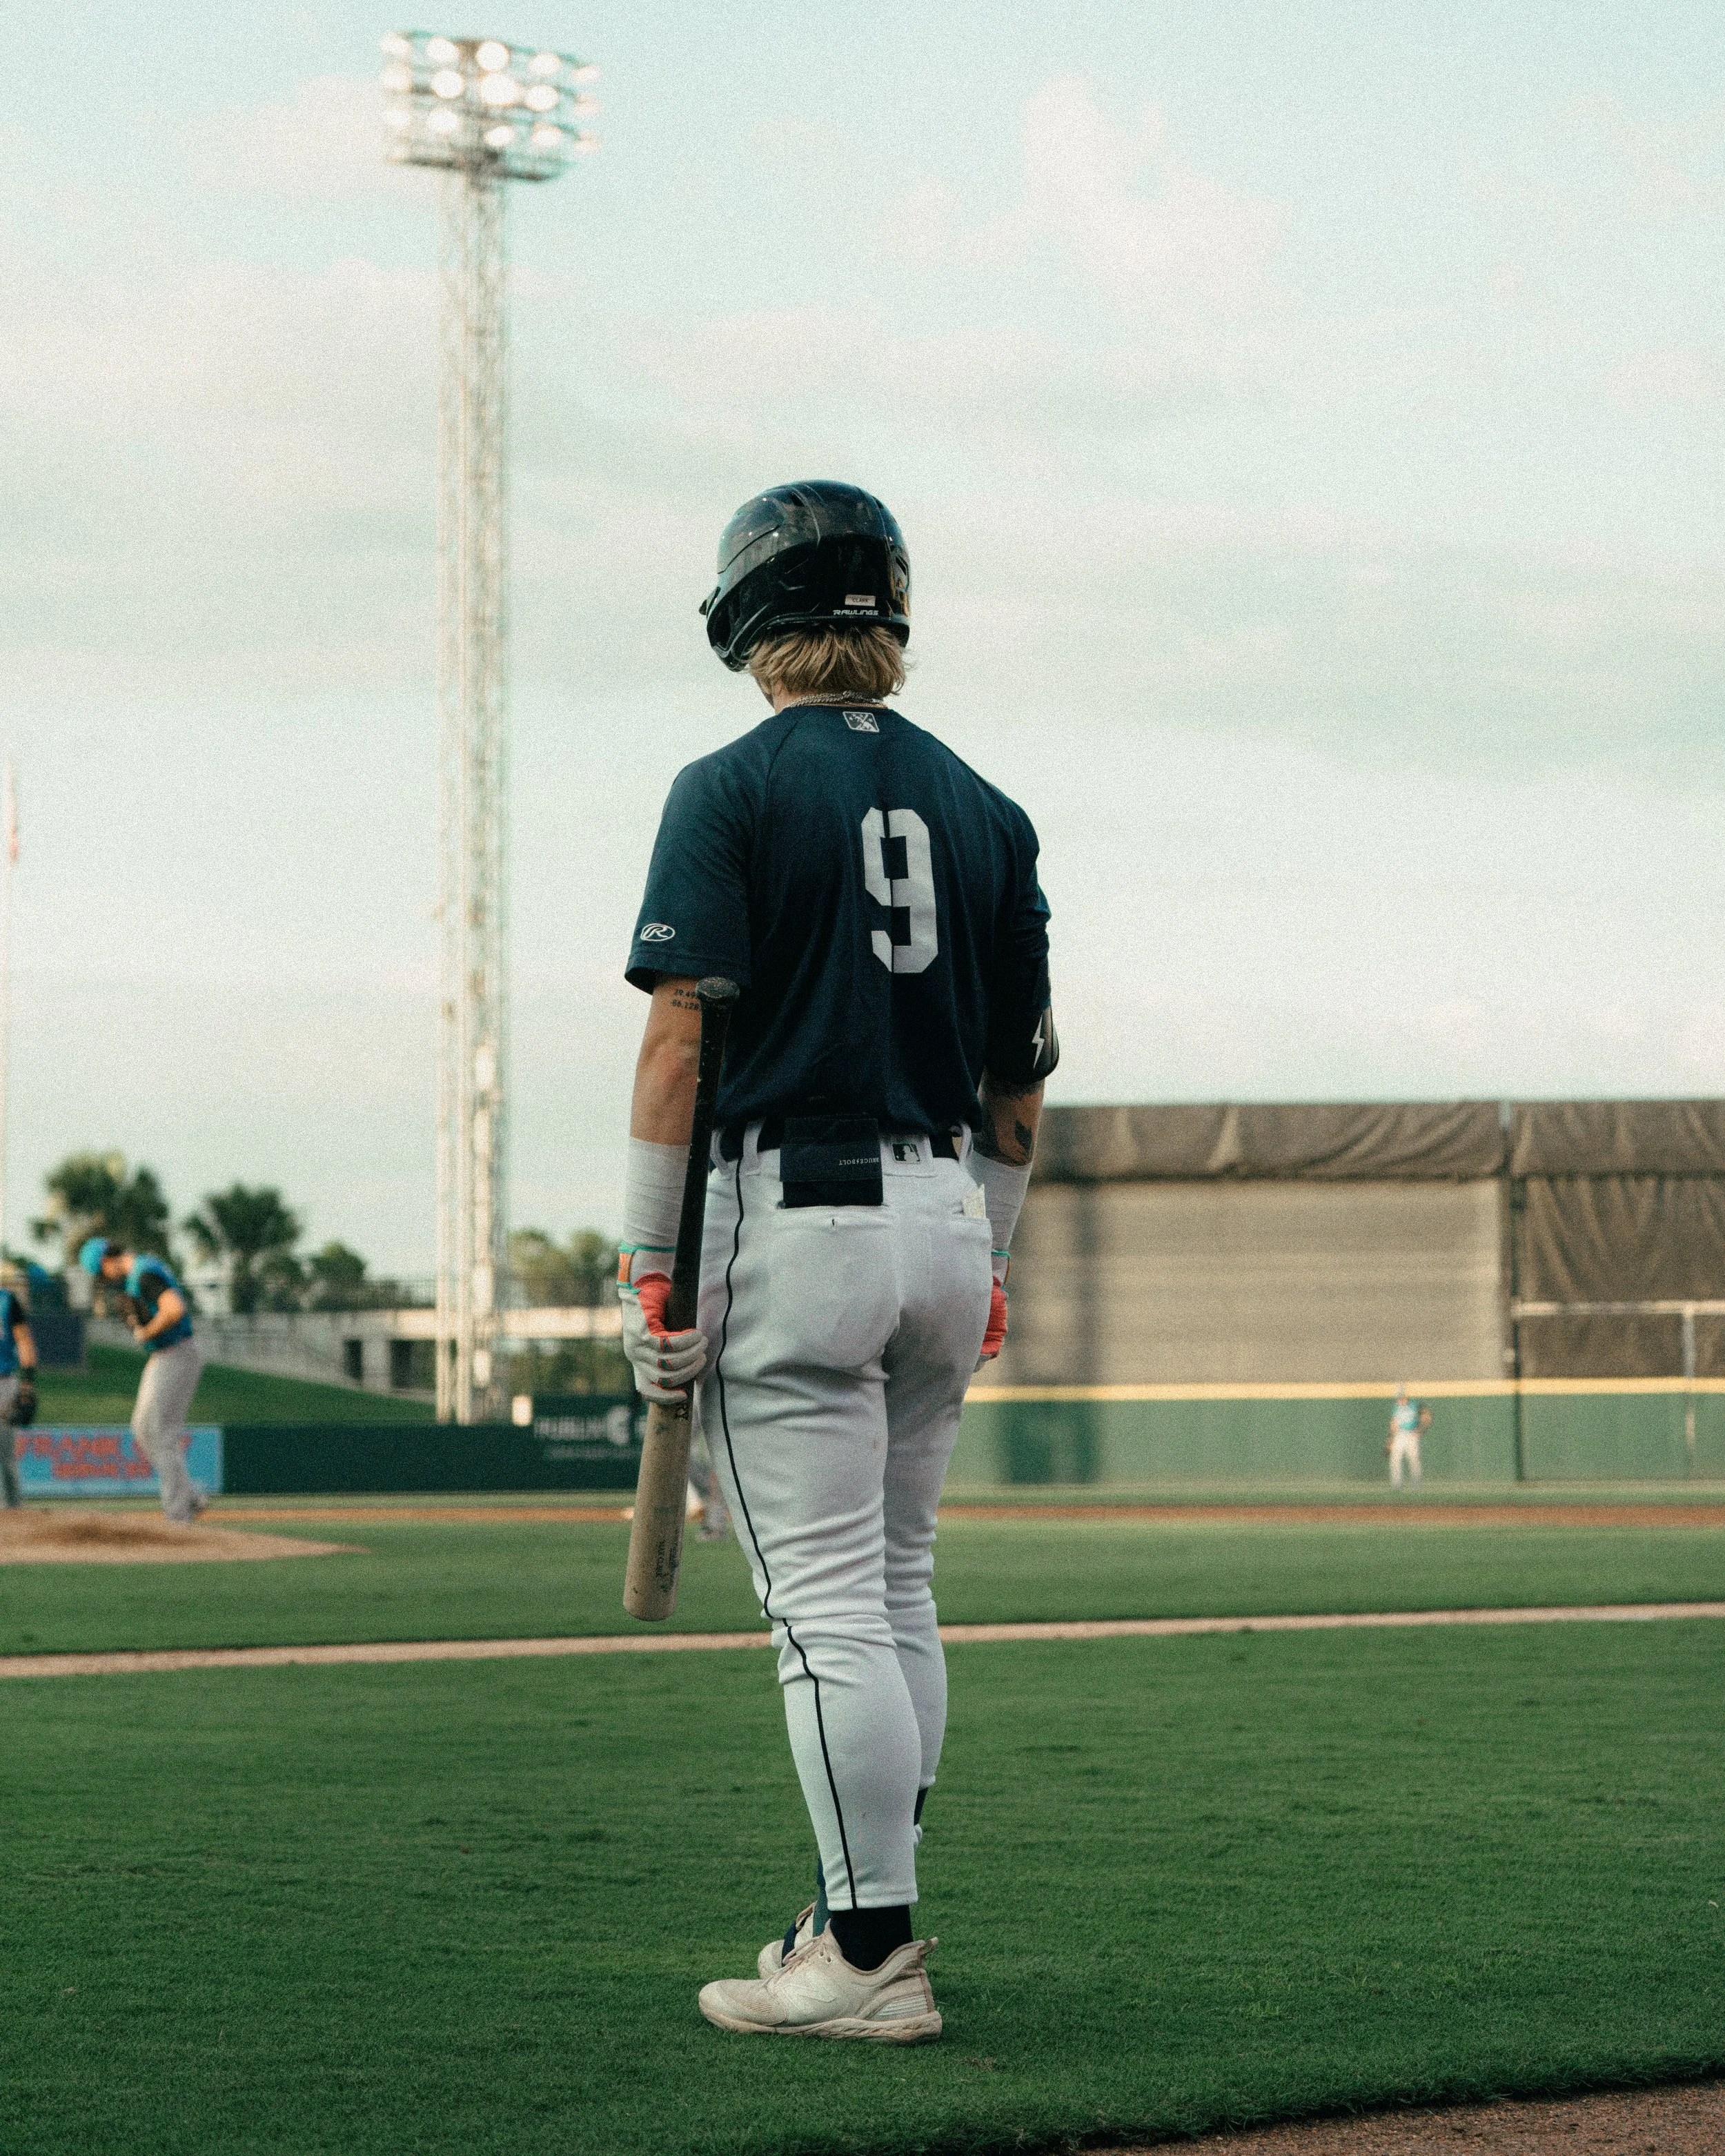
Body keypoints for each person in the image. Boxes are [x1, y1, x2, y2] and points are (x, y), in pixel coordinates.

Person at [618, 480, 1056, 2043]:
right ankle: (852, 1910)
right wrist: (989, 1259)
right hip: (947, 1217)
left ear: (749, 614)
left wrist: (643, 1270)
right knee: (895, 1586)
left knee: (820, 1608)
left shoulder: (725, 787)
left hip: (790, 1213)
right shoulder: (992, 809)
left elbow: (680, 1045)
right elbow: (1019, 1091)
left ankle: (866, 1953)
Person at [78, 1237, 206, 1525]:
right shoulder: (141, 1272)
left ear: (107, 1261)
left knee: (161, 1434)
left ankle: (179, 1515)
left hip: (177, 1353)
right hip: (165, 1355)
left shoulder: (142, 1274)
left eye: (101, 1273)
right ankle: (189, 1496)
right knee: (143, 1428)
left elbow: (174, 1309)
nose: (104, 1280)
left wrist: (146, 1331)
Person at [0, 1265, 39, 1508]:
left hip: (4, 1381)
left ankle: (14, 1514)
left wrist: (27, 1381)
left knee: (5, 1453)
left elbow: (23, 1339)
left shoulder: (6, 1300)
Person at [1387, 1385, 1430, 1490]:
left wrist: (1420, 1430)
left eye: (1401, 1397)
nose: (1399, 1399)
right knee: (1395, 1460)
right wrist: (1390, 1440)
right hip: (1399, 1435)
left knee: (1414, 1460)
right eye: (1398, 1397)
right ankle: (1396, 1487)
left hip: (1412, 1435)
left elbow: (1427, 1417)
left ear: (1405, 1396)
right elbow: (1394, 1424)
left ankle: (1416, 1487)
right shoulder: (1396, 1407)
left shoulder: (1415, 1405)